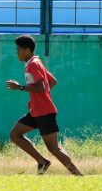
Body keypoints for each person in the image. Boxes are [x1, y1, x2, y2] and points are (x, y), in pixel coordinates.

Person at [5, 34, 83, 176]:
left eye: (19, 49)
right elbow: (52, 81)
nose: (17, 52)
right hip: (36, 111)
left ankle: (78, 174)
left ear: (27, 50)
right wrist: (35, 98)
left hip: (45, 113)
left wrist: (20, 87)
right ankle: (42, 162)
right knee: (15, 135)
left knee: (54, 148)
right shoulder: (33, 62)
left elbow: (41, 87)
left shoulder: (34, 64)